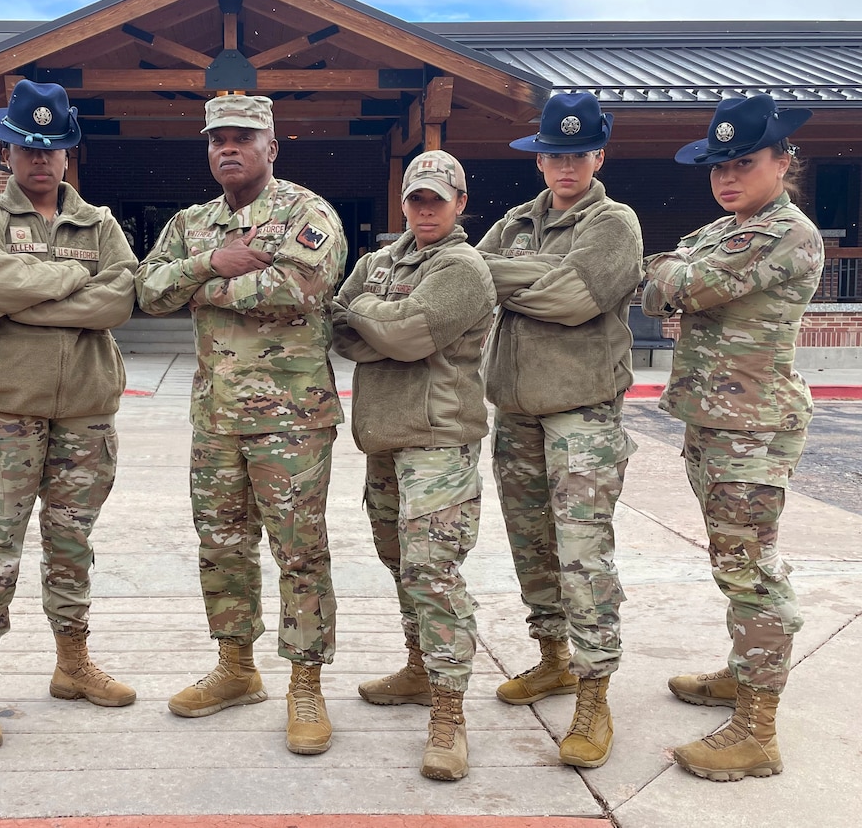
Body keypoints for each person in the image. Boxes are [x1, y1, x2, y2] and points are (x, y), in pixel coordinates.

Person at [135, 94, 345, 756]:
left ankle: (305, 681)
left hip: (292, 420)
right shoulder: (193, 224)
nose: (229, 147)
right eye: (217, 138)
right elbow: (147, 289)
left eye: (244, 137)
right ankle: (236, 667)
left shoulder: (305, 211)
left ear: (272, 146)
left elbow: (302, 287)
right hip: (216, 417)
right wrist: (212, 264)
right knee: (222, 544)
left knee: (298, 552)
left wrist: (200, 288)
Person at [0, 80, 138, 751]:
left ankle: (71, 662)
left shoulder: (100, 223)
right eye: (27, 145)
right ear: (7, 147)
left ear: (68, 152)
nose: (39, 159)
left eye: (51, 146)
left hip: (84, 414)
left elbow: (118, 300)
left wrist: (25, 300)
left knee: (71, 545)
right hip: (3, 414)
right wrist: (69, 280)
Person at [642, 95, 823, 782]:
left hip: (750, 431)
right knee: (735, 564)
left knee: (752, 572)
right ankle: (742, 674)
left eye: (743, 162)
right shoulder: (735, 227)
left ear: (783, 161)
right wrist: (673, 273)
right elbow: (663, 281)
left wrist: (675, 273)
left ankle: (757, 729)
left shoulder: (786, 233)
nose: (726, 177)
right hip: (717, 423)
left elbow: (682, 281)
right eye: (718, 165)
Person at [475, 92, 642, 769]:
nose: (565, 164)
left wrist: (506, 281)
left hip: (583, 414)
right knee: (532, 544)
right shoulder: (517, 222)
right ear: (540, 158)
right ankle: (553, 657)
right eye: (554, 153)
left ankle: (595, 693)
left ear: (598, 156)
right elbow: (464, 275)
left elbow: (575, 299)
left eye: (578, 153)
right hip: (515, 410)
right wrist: (527, 276)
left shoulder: (614, 224)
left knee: (583, 554)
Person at [332, 150, 495, 780]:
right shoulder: (379, 262)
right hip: (383, 439)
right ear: (404, 203)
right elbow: (337, 333)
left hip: (438, 440)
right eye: (416, 199)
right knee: (400, 561)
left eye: (437, 199)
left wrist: (375, 321)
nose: (425, 210)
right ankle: (421, 670)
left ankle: (450, 714)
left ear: (460, 203)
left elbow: (397, 334)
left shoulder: (464, 266)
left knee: (434, 571)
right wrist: (384, 324)